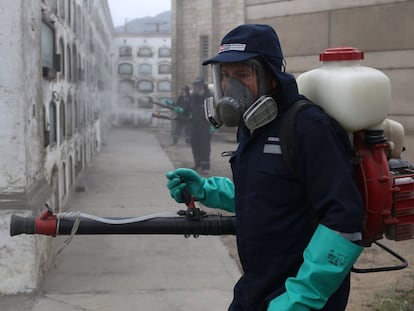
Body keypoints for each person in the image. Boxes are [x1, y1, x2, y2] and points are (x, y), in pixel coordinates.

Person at [166, 24, 364, 311]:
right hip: (256, 288)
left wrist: (300, 299)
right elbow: (267, 194)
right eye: (225, 76)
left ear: (272, 76)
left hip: (299, 296)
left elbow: (344, 219)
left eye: (243, 74)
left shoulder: (309, 127)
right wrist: (208, 190)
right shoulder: (251, 126)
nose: (229, 87)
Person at [189, 77, 213, 173]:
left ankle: (205, 167)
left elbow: (212, 111)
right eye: (194, 85)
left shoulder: (208, 96)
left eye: (197, 85)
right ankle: (197, 163)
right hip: (194, 125)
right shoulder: (193, 96)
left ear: (202, 85)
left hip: (205, 125)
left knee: (204, 146)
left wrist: (213, 125)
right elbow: (189, 109)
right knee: (194, 144)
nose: (195, 87)